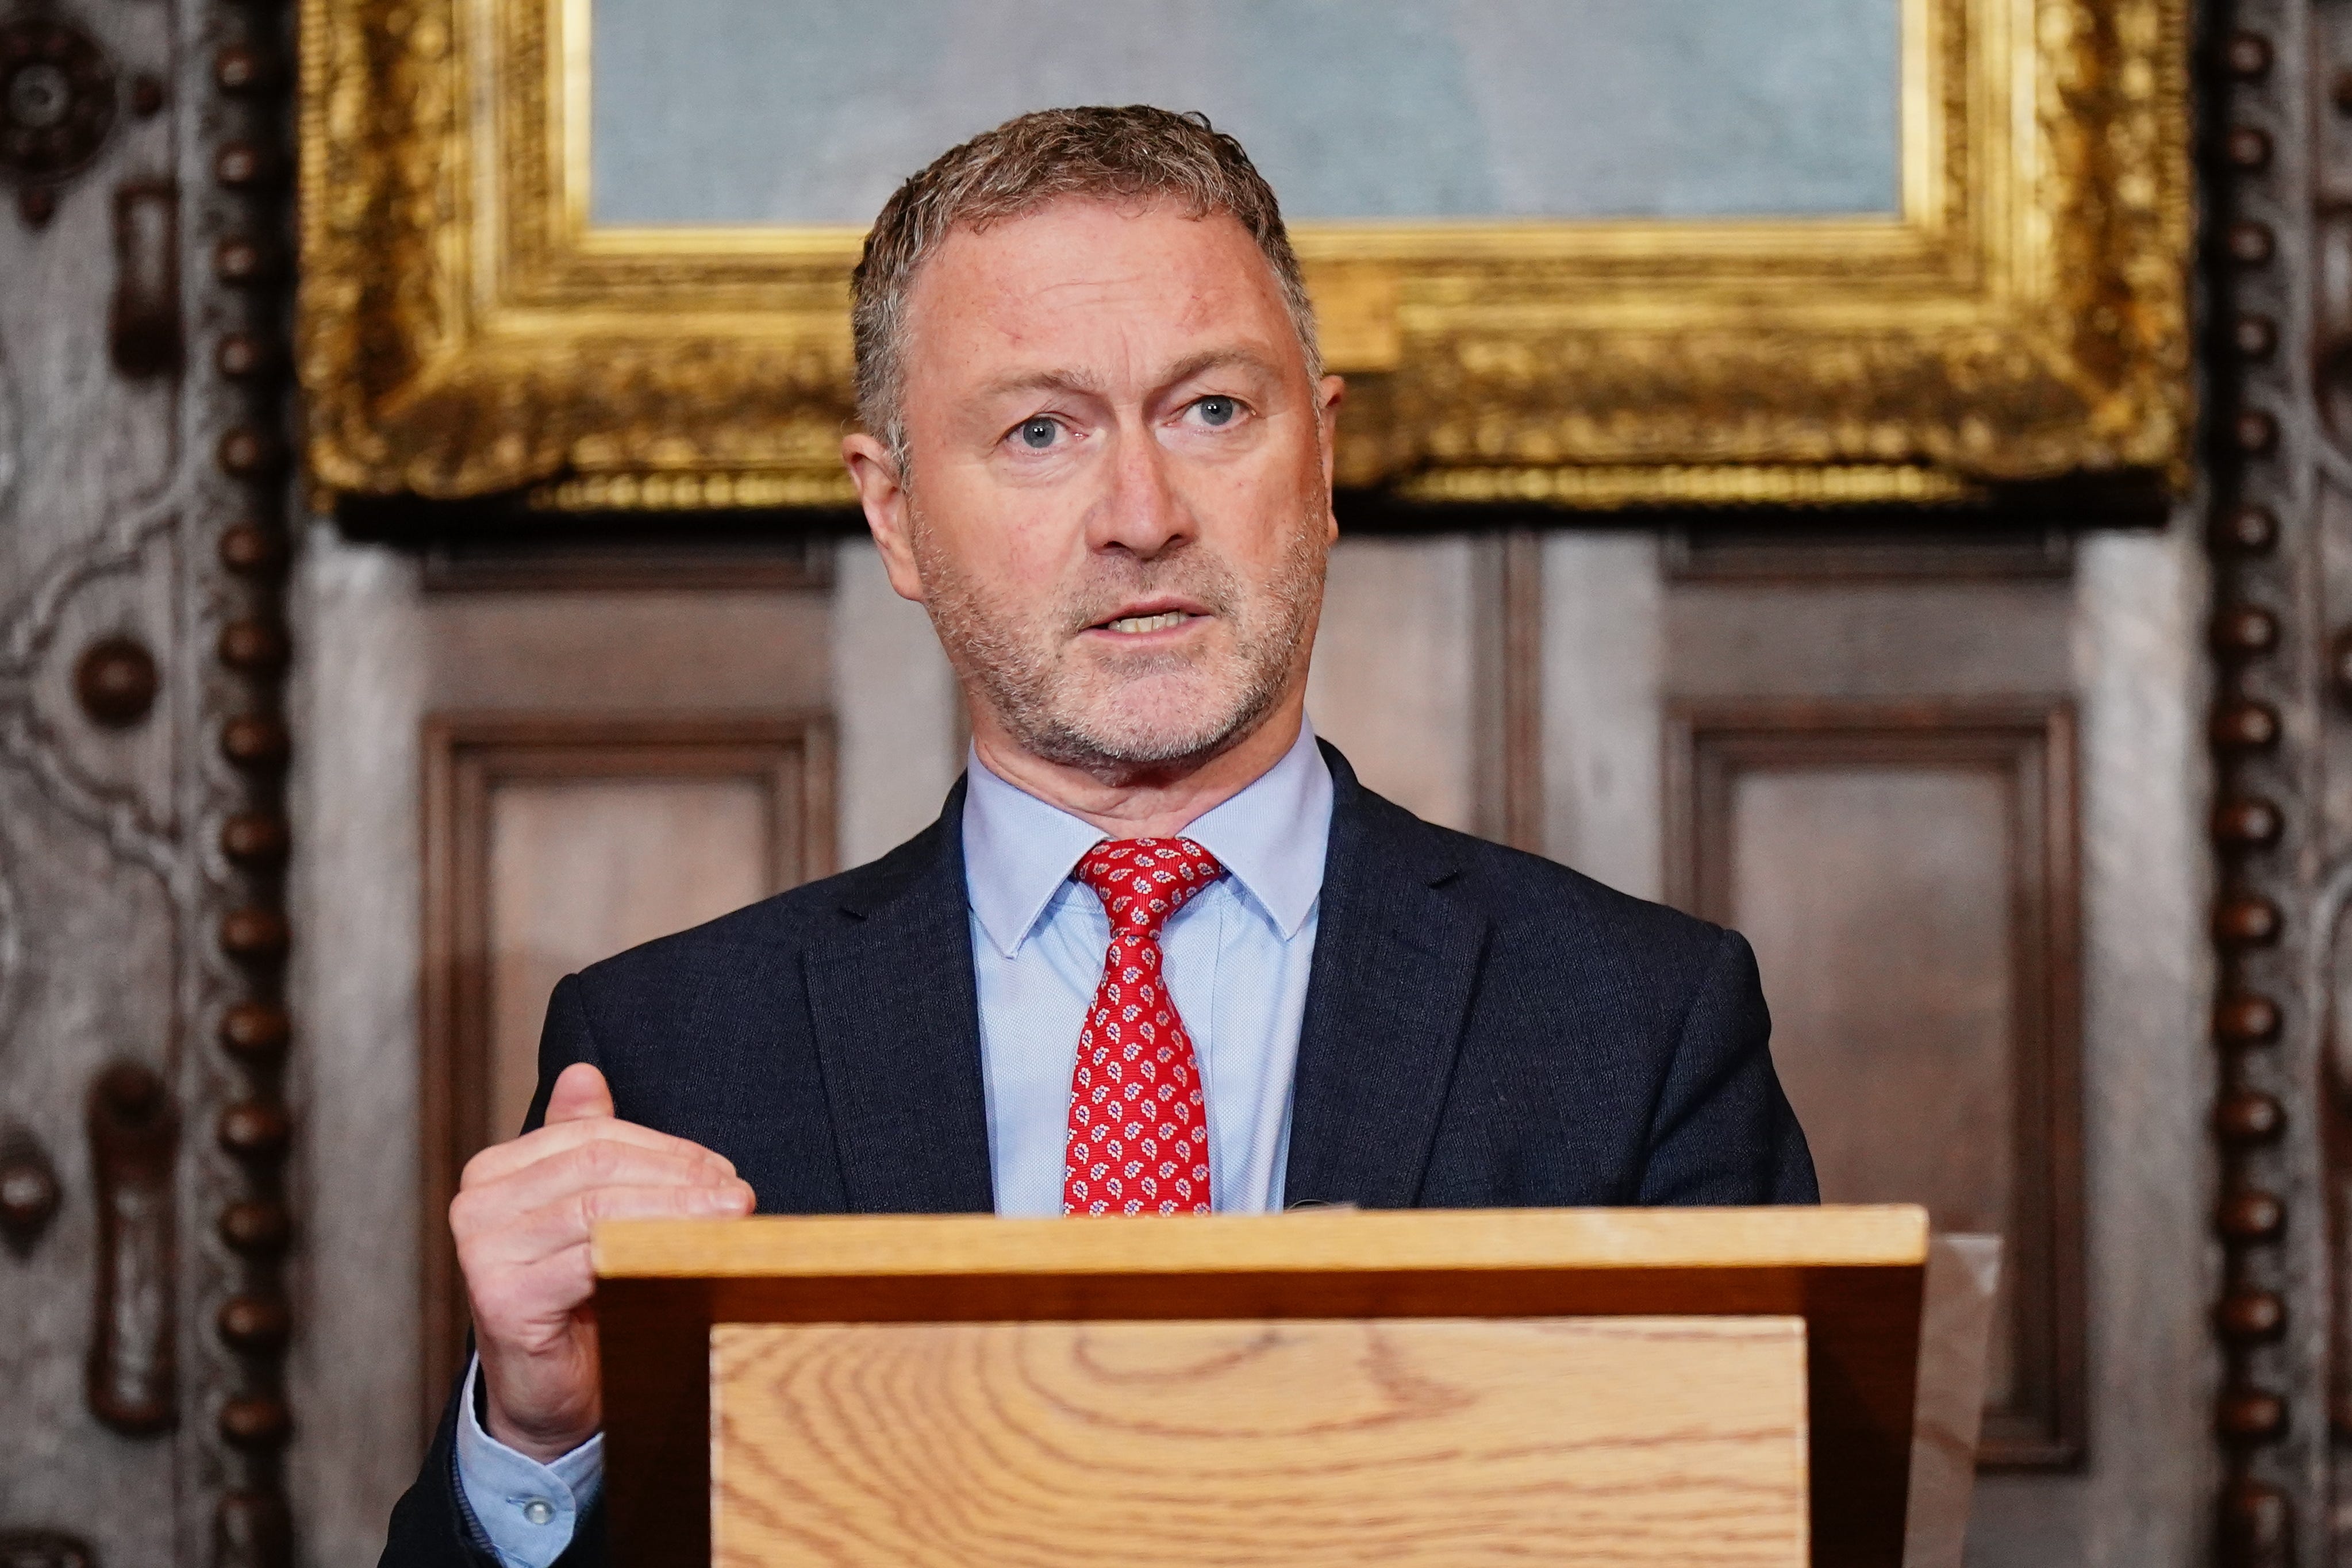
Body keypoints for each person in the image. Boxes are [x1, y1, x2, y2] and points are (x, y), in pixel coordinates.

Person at [378, 105, 1816, 1568]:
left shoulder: (1638, 1021)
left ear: (1318, 459)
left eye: (1213, 411)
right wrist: (544, 1433)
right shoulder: (669, 1047)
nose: (1142, 514)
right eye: (1041, 430)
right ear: (896, 516)